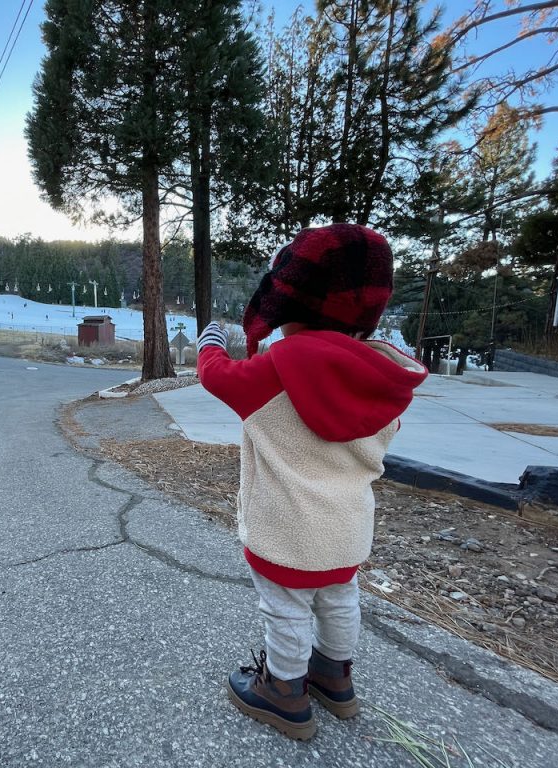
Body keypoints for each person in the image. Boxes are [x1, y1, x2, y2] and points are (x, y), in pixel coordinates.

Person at [196, 223, 427, 741]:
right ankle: (334, 678)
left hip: (286, 529)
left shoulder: (277, 369)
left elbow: (216, 376)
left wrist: (210, 343)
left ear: (291, 304)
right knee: (340, 597)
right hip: (347, 530)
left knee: (285, 608)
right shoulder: (386, 377)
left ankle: (284, 691)